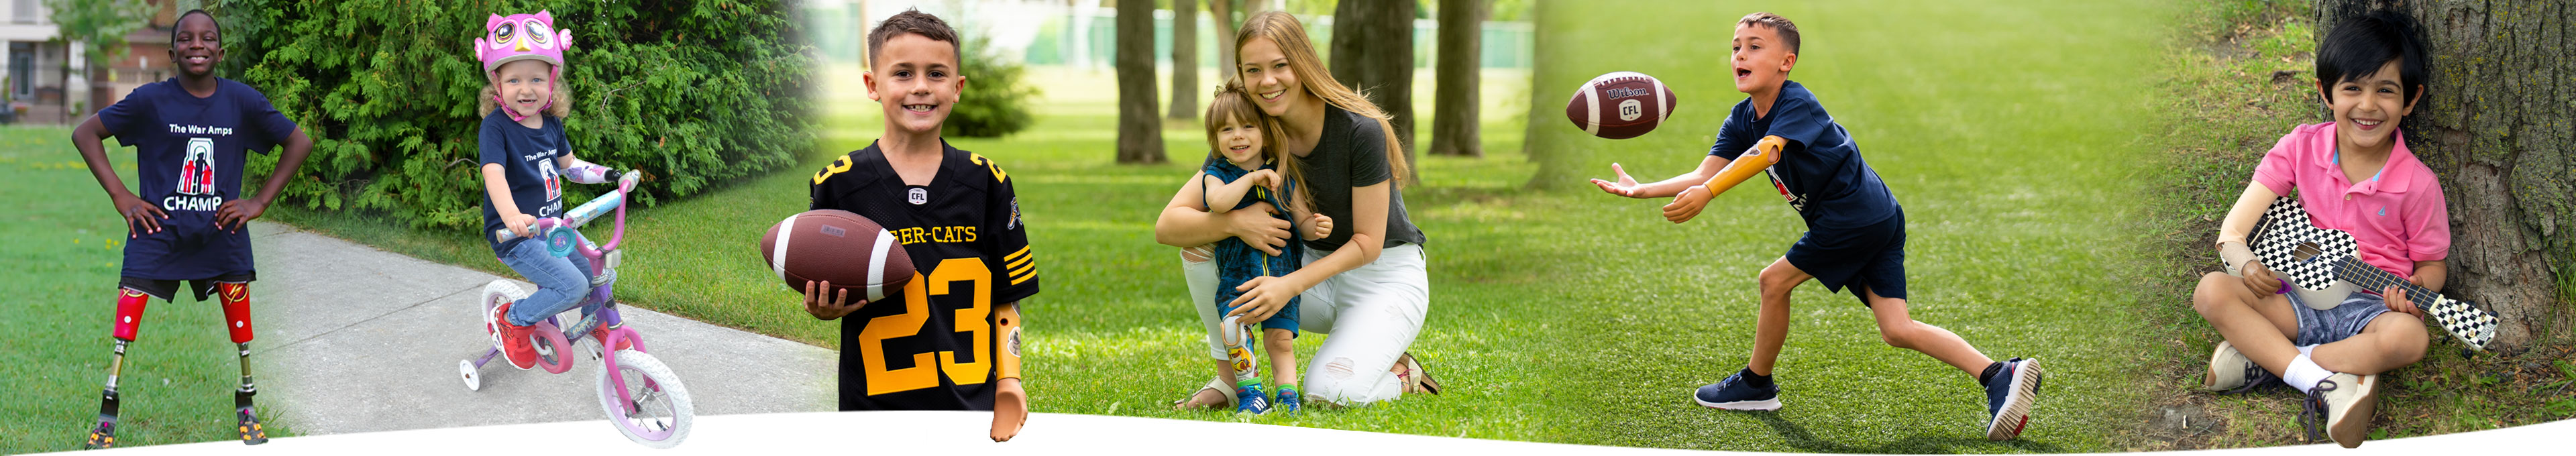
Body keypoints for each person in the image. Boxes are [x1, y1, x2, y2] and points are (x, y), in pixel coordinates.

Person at [1587, 12, 2043, 441]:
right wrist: (1642, 188)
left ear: (1787, 62)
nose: (1740, 56)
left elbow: (1766, 153)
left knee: (1773, 282)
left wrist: (1709, 195)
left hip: (1852, 218)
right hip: (1876, 214)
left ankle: (1756, 385)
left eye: (1754, 47)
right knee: (1896, 329)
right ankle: (1999, 373)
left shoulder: (1796, 102)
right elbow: (1703, 172)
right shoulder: (1742, 117)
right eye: (1735, 47)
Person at [2188, 9, 2441, 449]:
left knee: (2410, 338)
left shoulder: (2418, 184)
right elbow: (2233, 232)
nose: (2367, 105)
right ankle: (2329, 384)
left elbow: (2433, 262)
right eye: (2352, 88)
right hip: (2297, 298)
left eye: (2385, 90)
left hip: (2372, 312)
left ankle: (2273, 363)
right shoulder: (2301, 147)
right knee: (2211, 291)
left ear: (2410, 99)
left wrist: (2418, 289)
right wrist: (2247, 266)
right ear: (2326, 92)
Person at [1158, 11, 1437, 409]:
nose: (1267, 81)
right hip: (1305, 268)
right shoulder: (1249, 132)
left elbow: (1368, 244)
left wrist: (1287, 285)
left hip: (1383, 278)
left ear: (1302, 63)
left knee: (1330, 394)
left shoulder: (1360, 129)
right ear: (1241, 73)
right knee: (1201, 245)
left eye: (1280, 66)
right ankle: (1233, 379)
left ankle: (1403, 376)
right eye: (1253, 70)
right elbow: (1169, 225)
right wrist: (1235, 222)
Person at [72, 9, 313, 449]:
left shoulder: (241, 102)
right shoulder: (150, 101)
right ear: (171, 52)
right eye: (186, 39)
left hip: (223, 236)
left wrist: (259, 201)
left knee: (240, 326)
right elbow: (86, 133)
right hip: (157, 234)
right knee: (125, 328)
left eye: (206, 39)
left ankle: (247, 404)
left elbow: (299, 141)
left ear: (221, 53)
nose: (197, 45)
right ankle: (108, 411)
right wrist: (121, 196)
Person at [800, 9, 1036, 442]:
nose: (921, 87)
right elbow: (824, 286)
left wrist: (1010, 382)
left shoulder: (987, 182)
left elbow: (1007, 300)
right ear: (873, 85)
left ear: (957, 87)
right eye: (903, 74)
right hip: (872, 409)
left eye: (937, 73)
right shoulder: (838, 185)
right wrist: (820, 307)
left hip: (971, 408)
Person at [476, 10, 631, 371]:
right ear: (497, 83)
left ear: (552, 81)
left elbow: (571, 167)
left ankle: (597, 325)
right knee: (571, 288)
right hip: (517, 236)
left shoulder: (551, 124)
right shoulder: (495, 128)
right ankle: (514, 318)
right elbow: (493, 175)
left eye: (536, 79)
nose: (526, 89)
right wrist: (512, 217)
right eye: (514, 80)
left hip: (554, 231)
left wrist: (611, 176)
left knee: (600, 273)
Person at [1185, 80, 1332, 414]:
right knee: (1235, 332)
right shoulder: (1218, 173)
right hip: (1237, 277)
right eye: (1227, 130)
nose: (1238, 135)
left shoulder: (1283, 172)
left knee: (1280, 340)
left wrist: (1317, 226)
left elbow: (1302, 220)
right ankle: (1251, 392)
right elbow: (1219, 204)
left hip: (1281, 279)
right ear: (1216, 139)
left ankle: (1287, 395)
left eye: (1248, 126)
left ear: (1265, 132)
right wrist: (1251, 179)